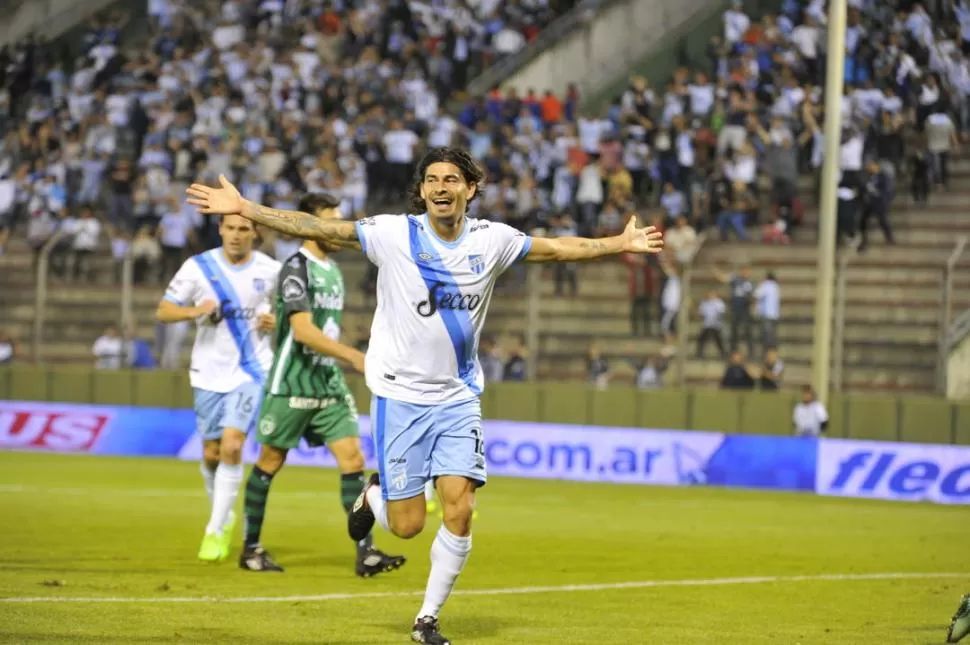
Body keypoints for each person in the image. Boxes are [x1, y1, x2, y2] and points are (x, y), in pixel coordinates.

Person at [185, 146, 663, 645]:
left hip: (458, 397)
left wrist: (619, 242)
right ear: (422, 191)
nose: (440, 187)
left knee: (459, 508)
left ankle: (427, 619)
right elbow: (321, 229)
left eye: (451, 179)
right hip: (400, 396)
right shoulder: (394, 234)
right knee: (408, 525)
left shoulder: (492, 240)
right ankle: (373, 495)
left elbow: (559, 248)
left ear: (469, 189)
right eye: (432, 179)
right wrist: (247, 209)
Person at [240, 192, 406, 578]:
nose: (336, 227)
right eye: (329, 220)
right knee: (270, 463)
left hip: (327, 384)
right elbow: (301, 330)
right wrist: (352, 355)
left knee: (352, 461)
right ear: (311, 224)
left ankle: (365, 553)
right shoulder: (296, 266)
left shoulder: (332, 269)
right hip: (292, 383)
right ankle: (251, 548)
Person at [155, 215, 280, 562]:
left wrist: (277, 320)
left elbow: (294, 314)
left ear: (255, 232)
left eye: (244, 229)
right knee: (211, 453)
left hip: (252, 371)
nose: (237, 235)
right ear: (221, 230)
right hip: (208, 373)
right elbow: (164, 311)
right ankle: (223, 516)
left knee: (232, 445)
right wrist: (197, 311)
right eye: (231, 228)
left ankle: (214, 531)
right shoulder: (198, 267)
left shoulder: (272, 270)